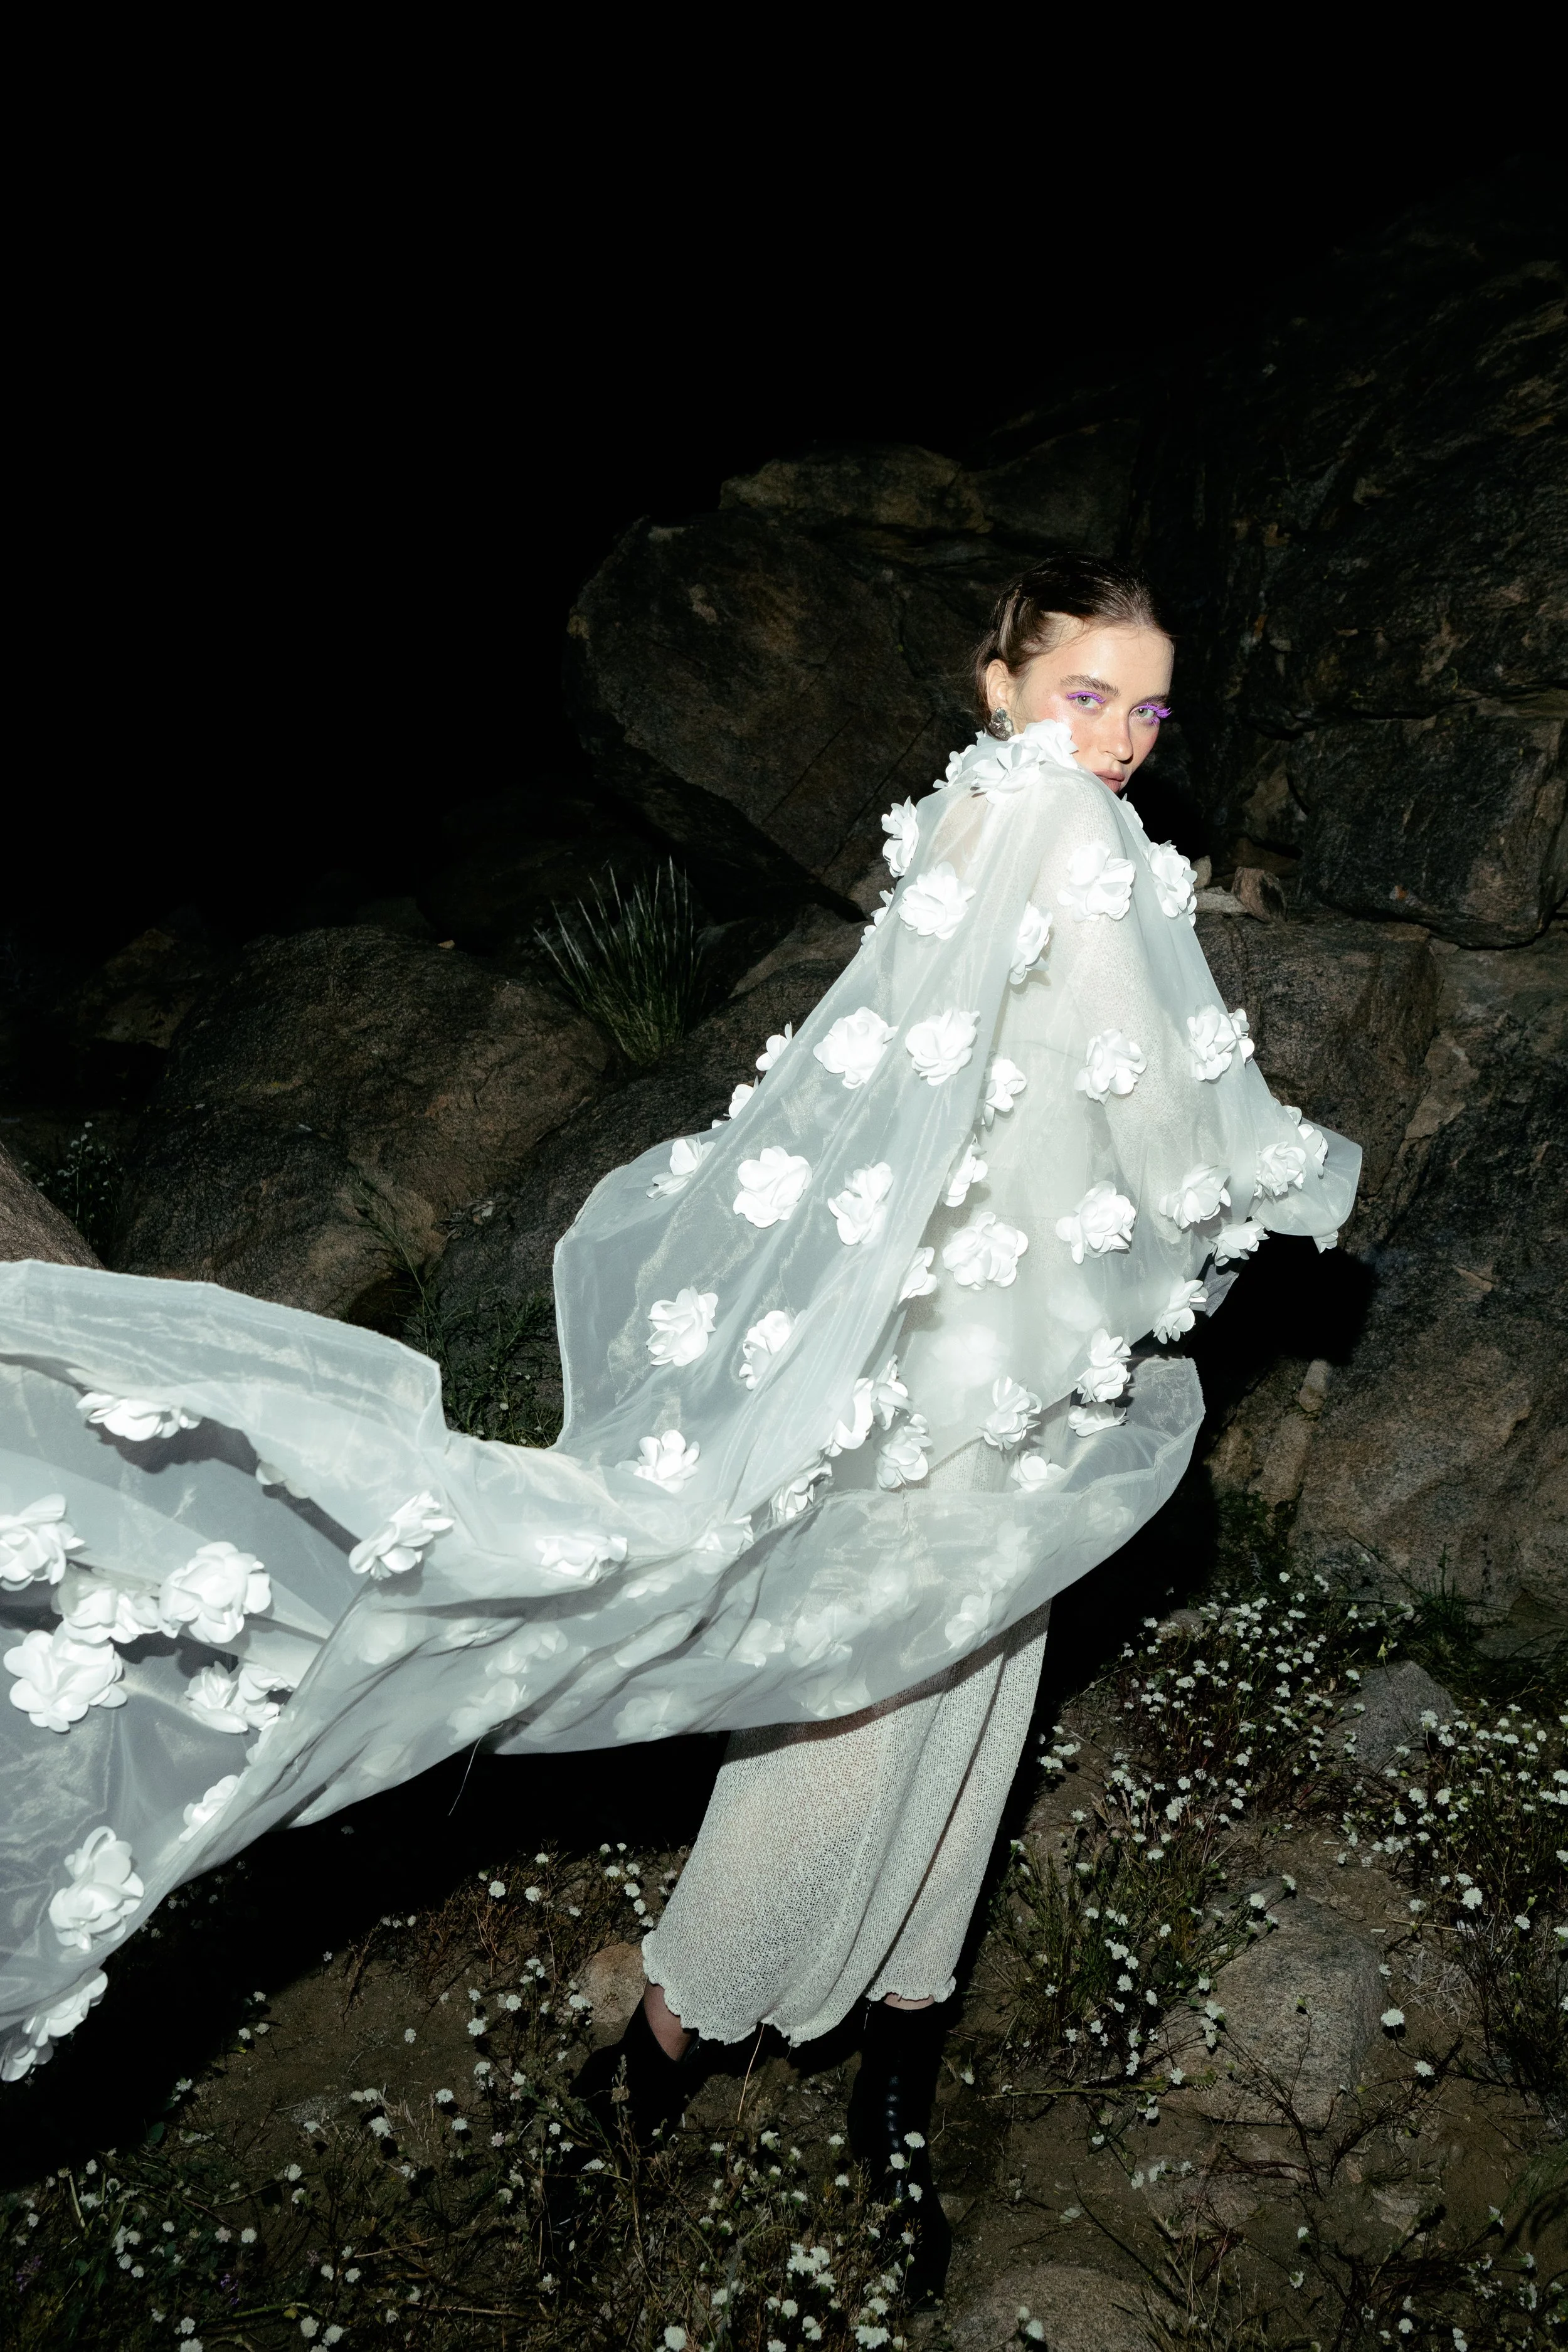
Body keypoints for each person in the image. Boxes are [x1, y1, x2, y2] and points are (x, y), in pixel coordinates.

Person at [0, 558, 1357, 2303]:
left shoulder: (967, 812)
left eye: (1148, 708)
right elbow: (1168, 1118)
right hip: (968, 1378)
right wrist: (1299, 1170)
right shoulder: (1061, 832)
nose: (1117, 738)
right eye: (1086, 694)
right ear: (1002, 681)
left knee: (952, 1690)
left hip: (953, 1352)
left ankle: (881, 2054)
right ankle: (664, 2046)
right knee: (864, 1714)